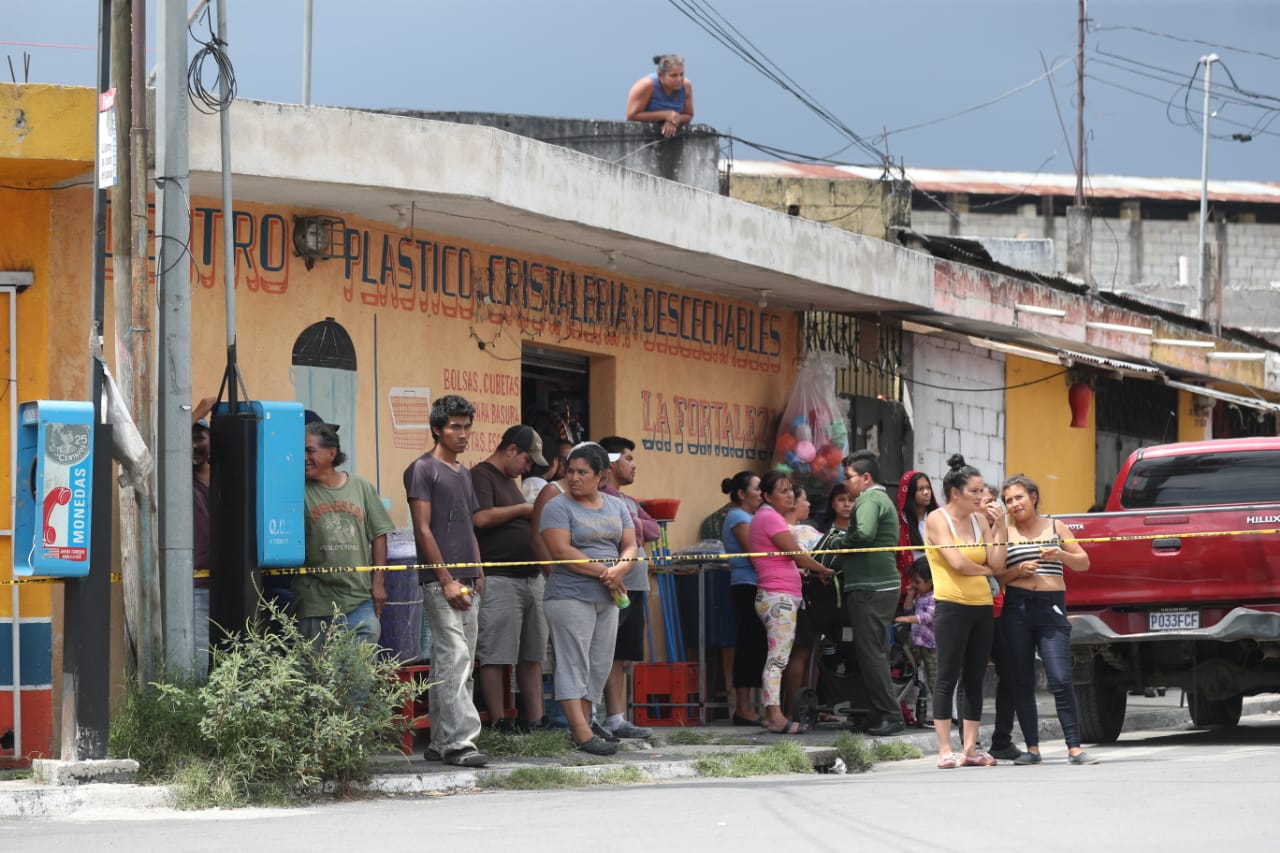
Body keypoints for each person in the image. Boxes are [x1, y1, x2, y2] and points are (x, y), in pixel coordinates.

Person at [403, 394, 489, 768]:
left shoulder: (464, 473)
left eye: (467, 426)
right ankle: (460, 743)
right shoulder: (422, 469)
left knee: (455, 663)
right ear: (437, 428)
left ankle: (440, 742)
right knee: (455, 658)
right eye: (455, 426)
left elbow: (467, 525)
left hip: (469, 577)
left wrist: (478, 568)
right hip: (441, 582)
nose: (463, 433)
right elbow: (422, 530)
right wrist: (447, 579)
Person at [540, 442, 639, 756]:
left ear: (601, 476)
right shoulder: (558, 506)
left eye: (583, 472)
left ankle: (586, 723)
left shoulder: (616, 506)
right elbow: (561, 552)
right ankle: (581, 733)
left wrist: (621, 568)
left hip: (608, 596)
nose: (574, 478)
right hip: (570, 596)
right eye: (570, 471)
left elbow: (630, 544)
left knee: (598, 665)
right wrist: (605, 571)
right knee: (573, 663)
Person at [1001, 474, 1099, 766]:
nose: (1014, 504)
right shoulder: (1004, 534)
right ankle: (1032, 749)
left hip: (1050, 608)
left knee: (1060, 678)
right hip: (1016, 609)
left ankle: (1074, 748)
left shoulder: (1056, 527)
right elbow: (996, 577)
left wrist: (1061, 555)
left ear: (1033, 496)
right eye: (1008, 500)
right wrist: (1018, 571)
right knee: (1022, 680)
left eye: (1019, 497)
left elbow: (1084, 562)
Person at [926, 454, 1007, 769]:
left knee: (975, 677)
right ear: (955, 493)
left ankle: (970, 748)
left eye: (982, 490)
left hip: (981, 607)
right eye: (974, 491)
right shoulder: (937, 519)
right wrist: (986, 570)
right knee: (947, 676)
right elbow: (956, 563)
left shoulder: (979, 520)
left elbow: (998, 563)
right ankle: (945, 748)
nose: (981, 497)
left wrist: (999, 526)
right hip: (951, 605)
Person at [472, 425, 550, 732]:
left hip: (531, 576)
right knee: (496, 653)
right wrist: (522, 509)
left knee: (533, 653)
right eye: (527, 461)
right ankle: (500, 720)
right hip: (500, 575)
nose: (527, 468)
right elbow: (480, 518)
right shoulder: (481, 474)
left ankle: (536, 719)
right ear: (511, 450)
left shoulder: (510, 480)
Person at [748, 470, 834, 734]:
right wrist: (825, 570)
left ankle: (777, 713)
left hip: (781, 595)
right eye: (783, 491)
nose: (789, 495)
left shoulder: (767, 517)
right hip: (778, 598)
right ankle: (774, 715)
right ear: (766, 496)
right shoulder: (770, 518)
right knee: (777, 659)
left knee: (779, 658)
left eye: (790, 490)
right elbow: (798, 555)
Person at [296, 421, 395, 649]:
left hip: (359, 601)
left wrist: (378, 584)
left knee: (358, 679)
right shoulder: (296, 491)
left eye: (309, 451)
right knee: (322, 680)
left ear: (332, 453)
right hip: (315, 604)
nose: (303, 457)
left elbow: (379, 534)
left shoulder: (360, 486)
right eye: (299, 451)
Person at [840, 450, 907, 737]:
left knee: (871, 653)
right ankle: (878, 712)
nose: (846, 484)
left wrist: (841, 540)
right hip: (880, 584)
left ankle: (890, 715)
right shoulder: (882, 499)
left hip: (871, 585)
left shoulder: (868, 499)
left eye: (849, 477)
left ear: (866, 478)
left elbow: (864, 535)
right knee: (875, 651)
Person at [597, 435, 660, 740]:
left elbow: (653, 529)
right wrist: (635, 526)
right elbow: (633, 533)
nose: (634, 465)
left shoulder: (630, 501)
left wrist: (636, 524)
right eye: (628, 458)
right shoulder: (604, 498)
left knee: (623, 654)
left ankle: (617, 717)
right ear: (609, 462)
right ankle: (603, 715)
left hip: (635, 585)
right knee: (608, 650)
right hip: (615, 583)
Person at [982, 484, 1025, 762]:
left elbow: (999, 572)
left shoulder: (1002, 529)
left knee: (1010, 676)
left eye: (993, 501)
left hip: (999, 610)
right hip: (972, 609)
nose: (991, 506)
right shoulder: (967, 529)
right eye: (984, 500)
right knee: (969, 676)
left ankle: (1002, 740)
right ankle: (968, 743)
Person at [721, 470, 766, 726]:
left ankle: (751, 706)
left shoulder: (750, 516)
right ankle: (743, 707)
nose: (760, 493)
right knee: (748, 645)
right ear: (741, 493)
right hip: (746, 585)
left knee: (756, 645)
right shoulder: (738, 516)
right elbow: (754, 552)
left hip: (754, 584)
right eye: (757, 489)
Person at [781, 484, 823, 717]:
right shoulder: (800, 532)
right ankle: (795, 710)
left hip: (800, 594)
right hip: (803, 595)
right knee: (802, 652)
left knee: (808, 653)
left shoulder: (788, 530)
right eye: (804, 500)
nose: (808, 505)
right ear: (792, 502)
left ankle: (801, 708)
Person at [895, 560, 937, 726]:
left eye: (917, 582)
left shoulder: (934, 597)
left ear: (930, 582)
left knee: (933, 679)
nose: (914, 585)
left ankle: (941, 714)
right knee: (913, 675)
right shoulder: (920, 596)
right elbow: (908, 610)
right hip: (917, 642)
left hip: (931, 645)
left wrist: (907, 619)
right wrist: (911, 596)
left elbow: (927, 617)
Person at [191, 408, 213, 676]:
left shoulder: (231, 476)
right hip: (195, 586)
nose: (194, 445)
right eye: (189, 438)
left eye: (200, 437)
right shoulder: (177, 480)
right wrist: (199, 409)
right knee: (197, 664)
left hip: (232, 584)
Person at [626, 53, 694, 138]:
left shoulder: (686, 86)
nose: (679, 79)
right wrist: (665, 115)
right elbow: (632, 115)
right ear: (660, 75)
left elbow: (688, 114)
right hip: (645, 137)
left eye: (681, 74)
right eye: (674, 75)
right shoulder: (646, 85)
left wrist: (674, 120)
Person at [896, 471, 938, 597]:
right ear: (910, 493)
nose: (926, 492)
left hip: (937, 582)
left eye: (928, 488)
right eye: (920, 489)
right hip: (912, 584)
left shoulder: (939, 517)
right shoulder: (901, 522)